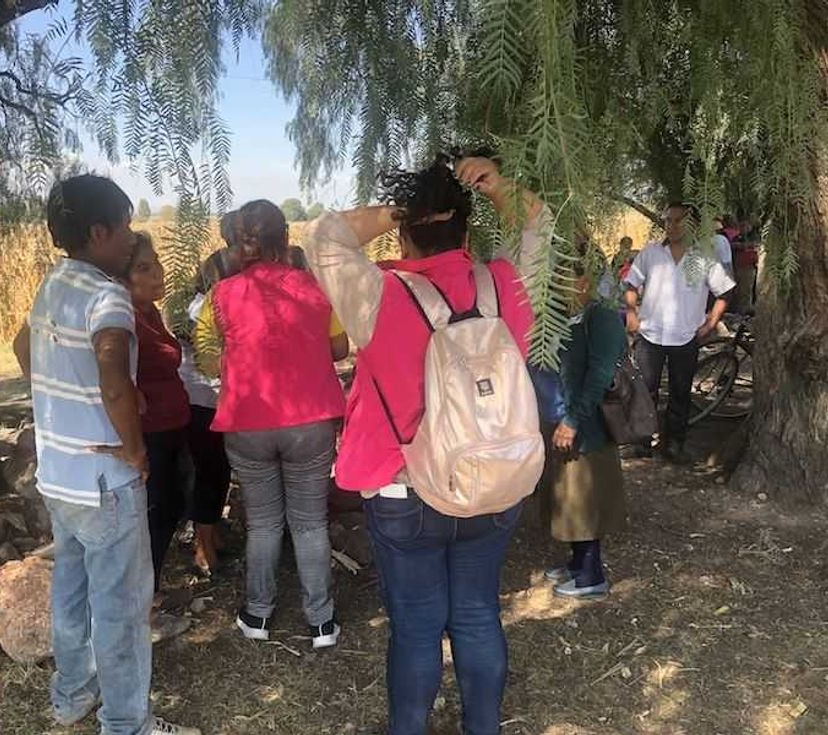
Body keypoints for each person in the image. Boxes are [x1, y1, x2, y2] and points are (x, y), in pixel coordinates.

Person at [303, 156, 547, 735]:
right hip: (491, 479)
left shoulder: (377, 293)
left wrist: (398, 208)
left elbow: (324, 236)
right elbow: (543, 228)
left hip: (402, 485)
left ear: (407, 231)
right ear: (467, 230)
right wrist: (498, 187)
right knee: (478, 614)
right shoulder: (508, 282)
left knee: (416, 626)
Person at [11, 175, 198, 735]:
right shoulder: (107, 293)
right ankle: (127, 724)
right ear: (99, 232)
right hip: (103, 480)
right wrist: (134, 449)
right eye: (125, 228)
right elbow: (114, 370)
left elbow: (23, 348)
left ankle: (71, 695)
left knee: (71, 590)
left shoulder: (55, 283)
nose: (131, 238)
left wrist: (65, 400)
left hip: (60, 475)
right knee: (120, 607)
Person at [195, 199, 349, 649]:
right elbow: (339, 350)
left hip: (248, 421)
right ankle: (321, 622)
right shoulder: (316, 288)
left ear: (241, 243)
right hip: (310, 421)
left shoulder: (219, 295)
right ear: (285, 238)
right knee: (309, 523)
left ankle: (257, 615)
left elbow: (207, 354)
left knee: (263, 524)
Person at [624, 203, 736, 464]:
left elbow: (725, 292)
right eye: (668, 221)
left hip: (686, 336)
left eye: (678, 221)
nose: (671, 226)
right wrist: (631, 313)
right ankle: (643, 442)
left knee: (680, 392)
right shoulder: (651, 253)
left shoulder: (704, 257)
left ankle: (675, 444)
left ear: (692, 225)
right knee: (645, 390)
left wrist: (711, 322)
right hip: (650, 334)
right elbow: (632, 283)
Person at [542, 258, 628, 599]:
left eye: (562, 279)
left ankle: (592, 575)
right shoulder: (570, 317)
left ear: (584, 282)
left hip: (589, 426)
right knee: (571, 496)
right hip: (569, 420)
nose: (556, 287)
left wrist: (573, 420)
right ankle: (577, 563)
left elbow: (599, 375)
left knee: (587, 499)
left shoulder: (601, 317)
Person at [124, 232, 192, 593]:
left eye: (157, 264)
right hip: (148, 434)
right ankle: (141, 598)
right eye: (143, 268)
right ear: (122, 278)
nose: (158, 274)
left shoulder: (149, 313)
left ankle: (148, 590)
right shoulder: (123, 320)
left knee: (171, 508)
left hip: (170, 428)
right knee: (156, 514)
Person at [178, 230, 236, 574]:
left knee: (215, 472)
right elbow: (211, 359)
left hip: (198, 399)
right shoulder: (211, 305)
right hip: (205, 400)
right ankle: (204, 548)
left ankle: (211, 539)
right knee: (211, 473)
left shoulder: (193, 304)